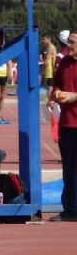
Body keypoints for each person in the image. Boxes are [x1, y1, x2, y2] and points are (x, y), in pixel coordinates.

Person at [48, 30, 77, 222]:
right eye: (69, 42)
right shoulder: (65, 62)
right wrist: (57, 93)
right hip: (67, 125)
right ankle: (71, 210)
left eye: (73, 42)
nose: (69, 45)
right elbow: (56, 84)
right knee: (69, 169)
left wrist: (75, 96)